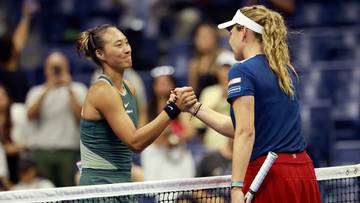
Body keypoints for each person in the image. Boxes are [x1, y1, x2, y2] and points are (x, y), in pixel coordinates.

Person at [175, 5, 321, 203]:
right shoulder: (286, 71)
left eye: (231, 31)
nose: (228, 38)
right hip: (303, 173)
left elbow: (245, 131)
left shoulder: (241, 71)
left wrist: (236, 187)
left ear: (243, 31)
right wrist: (195, 108)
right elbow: (241, 127)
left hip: (269, 176)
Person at [75, 24, 196, 186]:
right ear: (100, 54)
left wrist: (171, 105)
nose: (127, 49)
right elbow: (135, 142)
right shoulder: (103, 91)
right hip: (100, 185)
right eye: (118, 45)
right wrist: (172, 109)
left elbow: (139, 134)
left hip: (123, 182)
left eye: (126, 42)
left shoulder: (129, 88)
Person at [25, 51, 87, 187]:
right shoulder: (36, 91)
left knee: (70, 193)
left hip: (68, 152)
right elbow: (30, 115)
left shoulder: (78, 89)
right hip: (43, 152)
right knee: (45, 194)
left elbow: (82, 118)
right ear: (46, 69)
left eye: (59, 66)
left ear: (66, 67)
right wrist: (47, 89)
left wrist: (69, 89)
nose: (56, 70)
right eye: (52, 67)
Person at [140, 66, 196, 181]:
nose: (163, 86)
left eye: (166, 83)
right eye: (159, 83)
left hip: (178, 152)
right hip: (155, 153)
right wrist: (160, 139)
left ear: (172, 85)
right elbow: (141, 134)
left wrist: (175, 138)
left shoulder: (181, 106)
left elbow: (191, 131)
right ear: (154, 86)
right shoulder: (147, 108)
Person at [0, 1, 36, 103]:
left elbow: (18, 42)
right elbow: (18, 42)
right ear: (12, 52)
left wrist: (26, 17)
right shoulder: (17, 78)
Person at [0, 84, 26, 184]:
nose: (1, 98)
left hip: (20, 158)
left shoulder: (18, 111)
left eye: (3, 94)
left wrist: (17, 147)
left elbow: (32, 137)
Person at [188, 23, 222, 97]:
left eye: (206, 36)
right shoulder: (194, 63)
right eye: (200, 36)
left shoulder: (222, 58)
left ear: (215, 38)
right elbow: (192, 92)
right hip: (200, 104)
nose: (203, 40)